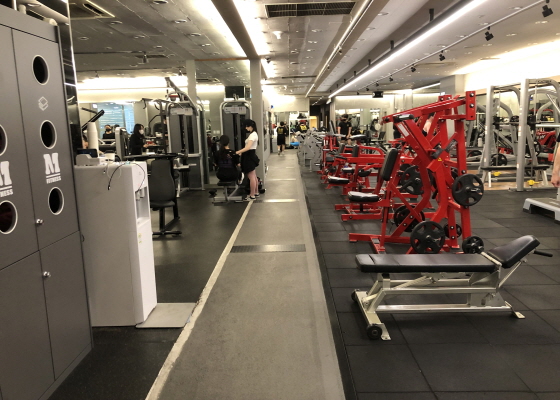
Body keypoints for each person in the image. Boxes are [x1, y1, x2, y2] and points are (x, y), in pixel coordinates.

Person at [235, 119, 260, 201]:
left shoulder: (252, 135)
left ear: (250, 126)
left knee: (251, 176)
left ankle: (252, 195)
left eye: (246, 126)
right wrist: (242, 152)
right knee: (254, 176)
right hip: (250, 156)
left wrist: (238, 152)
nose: (246, 128)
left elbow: (248, 147)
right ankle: (256, 192)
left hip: (249, 157)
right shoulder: (254, 134)